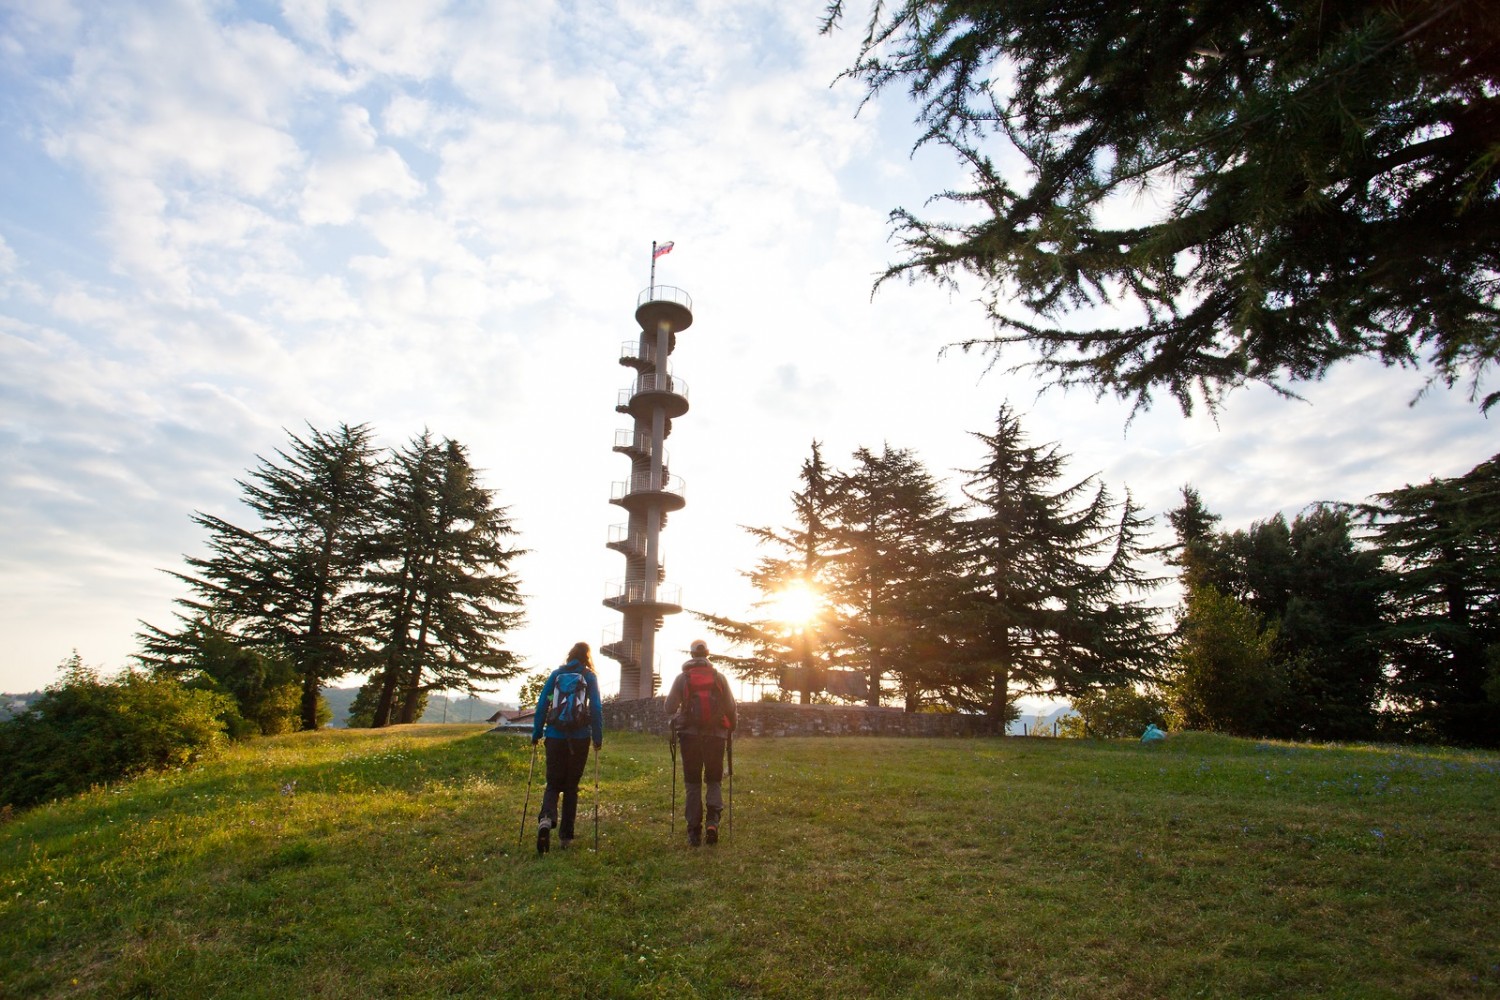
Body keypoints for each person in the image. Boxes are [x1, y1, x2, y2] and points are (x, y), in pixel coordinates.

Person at [530, 641, 604, 854]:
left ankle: (546, 819)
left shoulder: (556, 675)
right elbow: (596, 707)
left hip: (554, 735)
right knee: (571, 787)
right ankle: (565, 837)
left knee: (552, 784)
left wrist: (537, 733)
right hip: (579, 738)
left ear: (569, 655)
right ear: (587, 657)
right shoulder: (588, 676)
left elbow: (543, 703)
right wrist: (597, 737)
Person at [664, 639, 737, 846]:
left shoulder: (682, 678)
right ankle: (713, 823)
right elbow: (731, 707)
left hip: (690, 736)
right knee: (714, 780)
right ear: (708, 654)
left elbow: (669, 708)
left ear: (691, 655)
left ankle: (694, 831)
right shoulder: (719, 678)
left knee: (693, 783)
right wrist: (731, 729)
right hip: (716, 736)